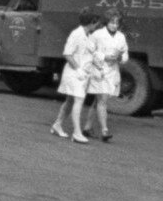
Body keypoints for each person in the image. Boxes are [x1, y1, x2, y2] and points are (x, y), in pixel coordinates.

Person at [51, 9, 107, 144]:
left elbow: (88, 55)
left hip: (81, 74)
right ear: (92, 23)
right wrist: (79, 70)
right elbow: (67, 54)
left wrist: (98, 67)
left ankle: (57, 124)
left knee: (70, 101)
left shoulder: (87, 35)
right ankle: (77, 132)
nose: (97, 26)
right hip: (74, 74)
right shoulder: (76, 34)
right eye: (96, 23)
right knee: (78, 100)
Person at [87, 11, 130, 142]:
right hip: (99, 70)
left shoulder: (121, 37)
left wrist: (120, 58)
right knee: (103, 100)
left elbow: (125, 54)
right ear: (107, 22)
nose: (114, 25)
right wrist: (104, 56)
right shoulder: (97, 35)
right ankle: (104, 130)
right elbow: (88, 50)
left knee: (98, 101)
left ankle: (87, 127)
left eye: (117, 23)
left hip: (112, 71)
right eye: (112, 22)